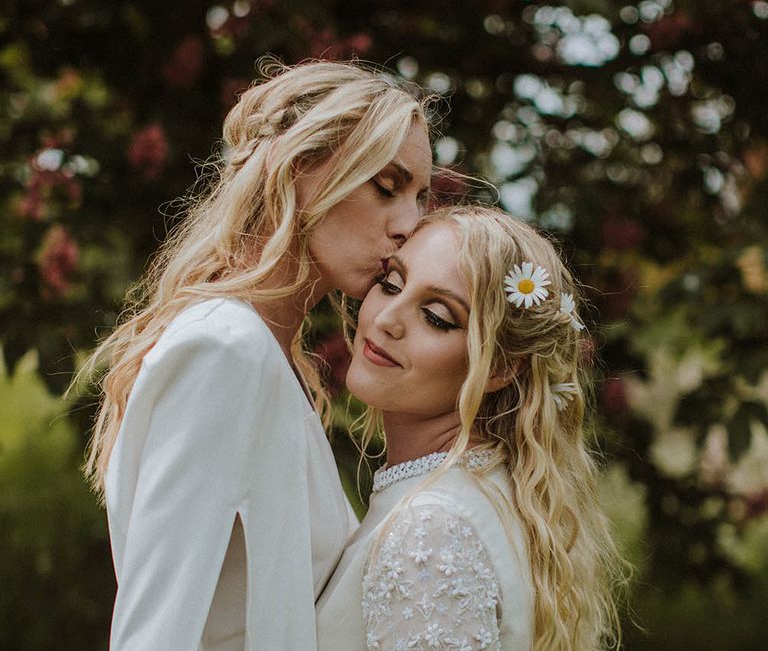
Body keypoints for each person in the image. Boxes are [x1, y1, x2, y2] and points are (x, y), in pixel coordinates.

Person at [82, 59, 433, 650]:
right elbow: (156, 633)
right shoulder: (223, 351)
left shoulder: (273, 361)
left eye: (420, 197)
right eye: (387, 186)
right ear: (299, 167)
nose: (409, 225)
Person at [316, 205, 626, 651]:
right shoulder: (492, 493)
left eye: (437, 316)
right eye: (391, 284)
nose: (386, 318)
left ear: (499, 367)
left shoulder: (430, 527)